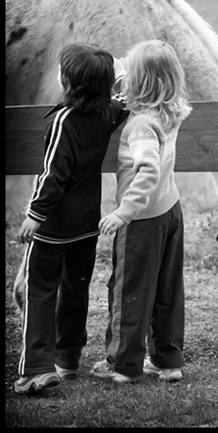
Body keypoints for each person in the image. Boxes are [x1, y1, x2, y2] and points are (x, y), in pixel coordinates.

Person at [14, 43, 129, 394]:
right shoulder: (108, 113)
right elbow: (124, 103)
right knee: (75, 290)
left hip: (53, 228)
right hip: (86, 226)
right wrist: (119, 79)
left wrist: (36, 215)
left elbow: (53, 175)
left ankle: (35, 368)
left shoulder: (64, 121)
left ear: (66, 81)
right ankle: (68, 359)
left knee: (40, 290)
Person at [91, 39, 192, 384]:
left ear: (140, 83)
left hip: (142, 219)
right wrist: (126, 69)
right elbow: (147, 75)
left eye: (130, 76)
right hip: (170, 210)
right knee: (167, 289)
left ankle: (123, 364)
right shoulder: (172, 110)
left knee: (130, 290)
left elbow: (146, 170)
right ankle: (168, 360)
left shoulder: (140, 127)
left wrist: (124, 212)